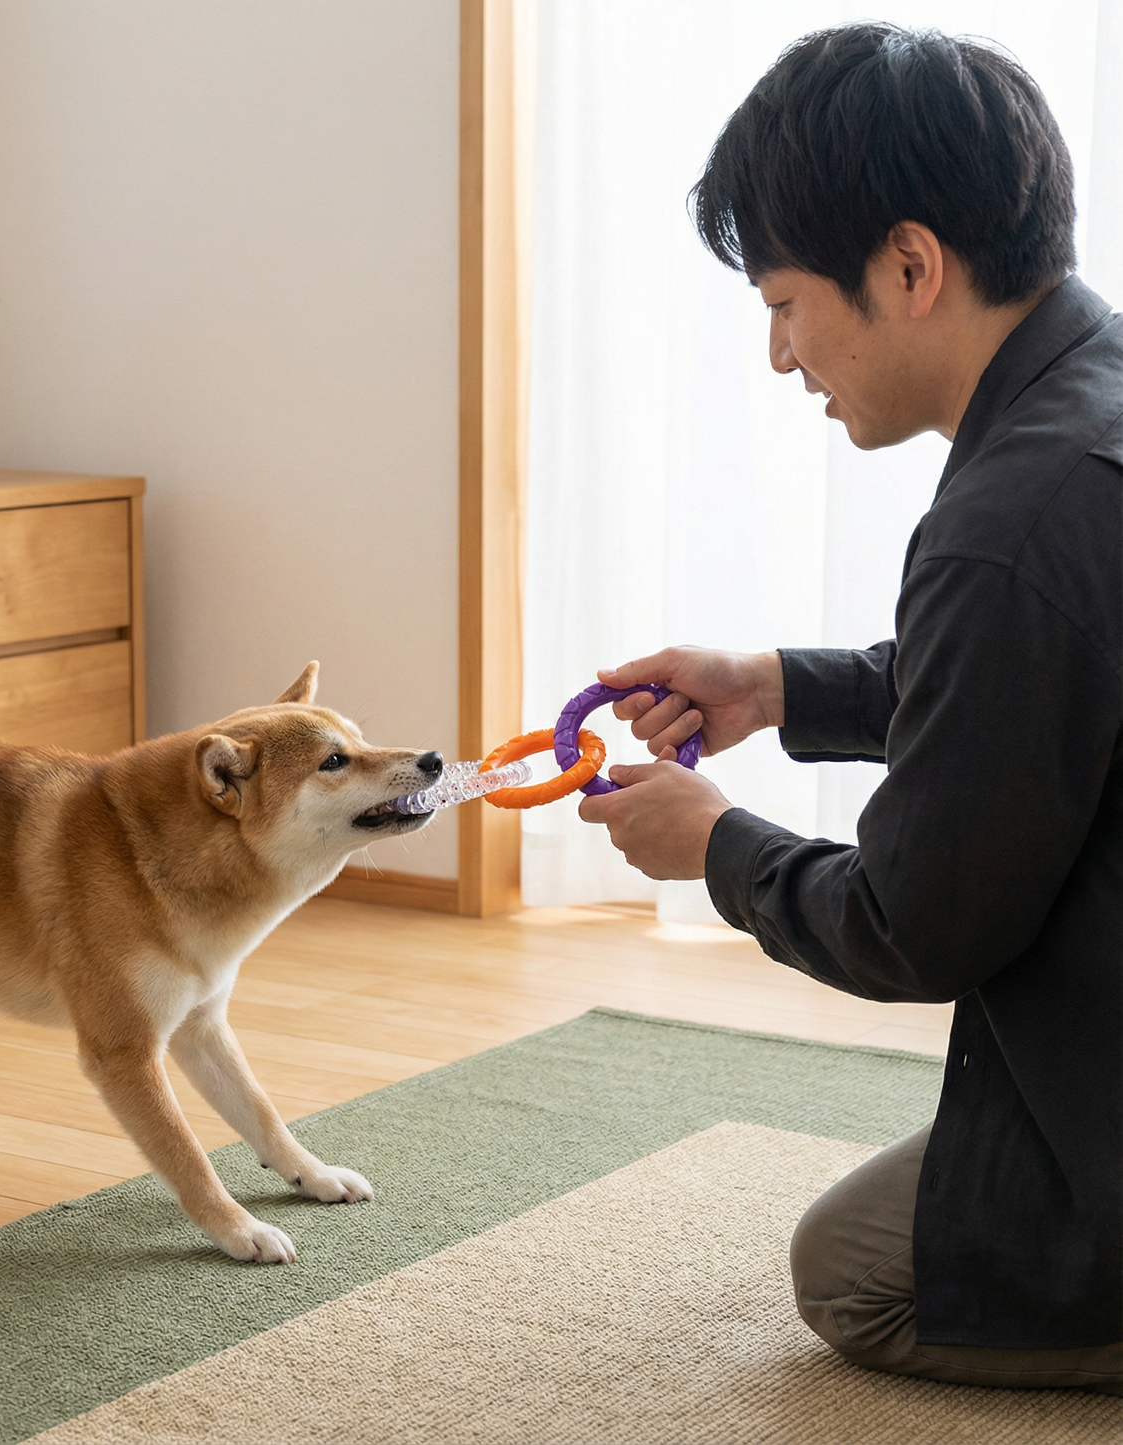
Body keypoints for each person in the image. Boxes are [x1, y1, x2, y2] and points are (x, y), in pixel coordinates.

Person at [578, 23, 1122, 1393]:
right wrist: (774, 686)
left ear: (909, 267)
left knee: (853, 1273)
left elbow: (910, 927)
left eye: (783, 303)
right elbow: (1026, 691)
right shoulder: (1094, 403)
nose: (780, 356)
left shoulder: (1010, 520)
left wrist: (714, 845)